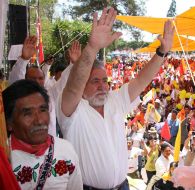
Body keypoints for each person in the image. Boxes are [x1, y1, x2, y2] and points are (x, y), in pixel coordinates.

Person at [56, 7, 174, 189]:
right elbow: (73, 85)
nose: (103, 86)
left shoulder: (114, 101)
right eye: (95, 81)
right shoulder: (72, 109)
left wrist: (161, 53)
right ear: (83, 85)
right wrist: (93, 47)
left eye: (105, 80)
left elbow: (141, 80)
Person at [2, 80, 82, 190]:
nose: (39, 121)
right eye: (27, 113)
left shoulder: (66, 150)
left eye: (43, 110)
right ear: (9, 123)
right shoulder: (4, 158)